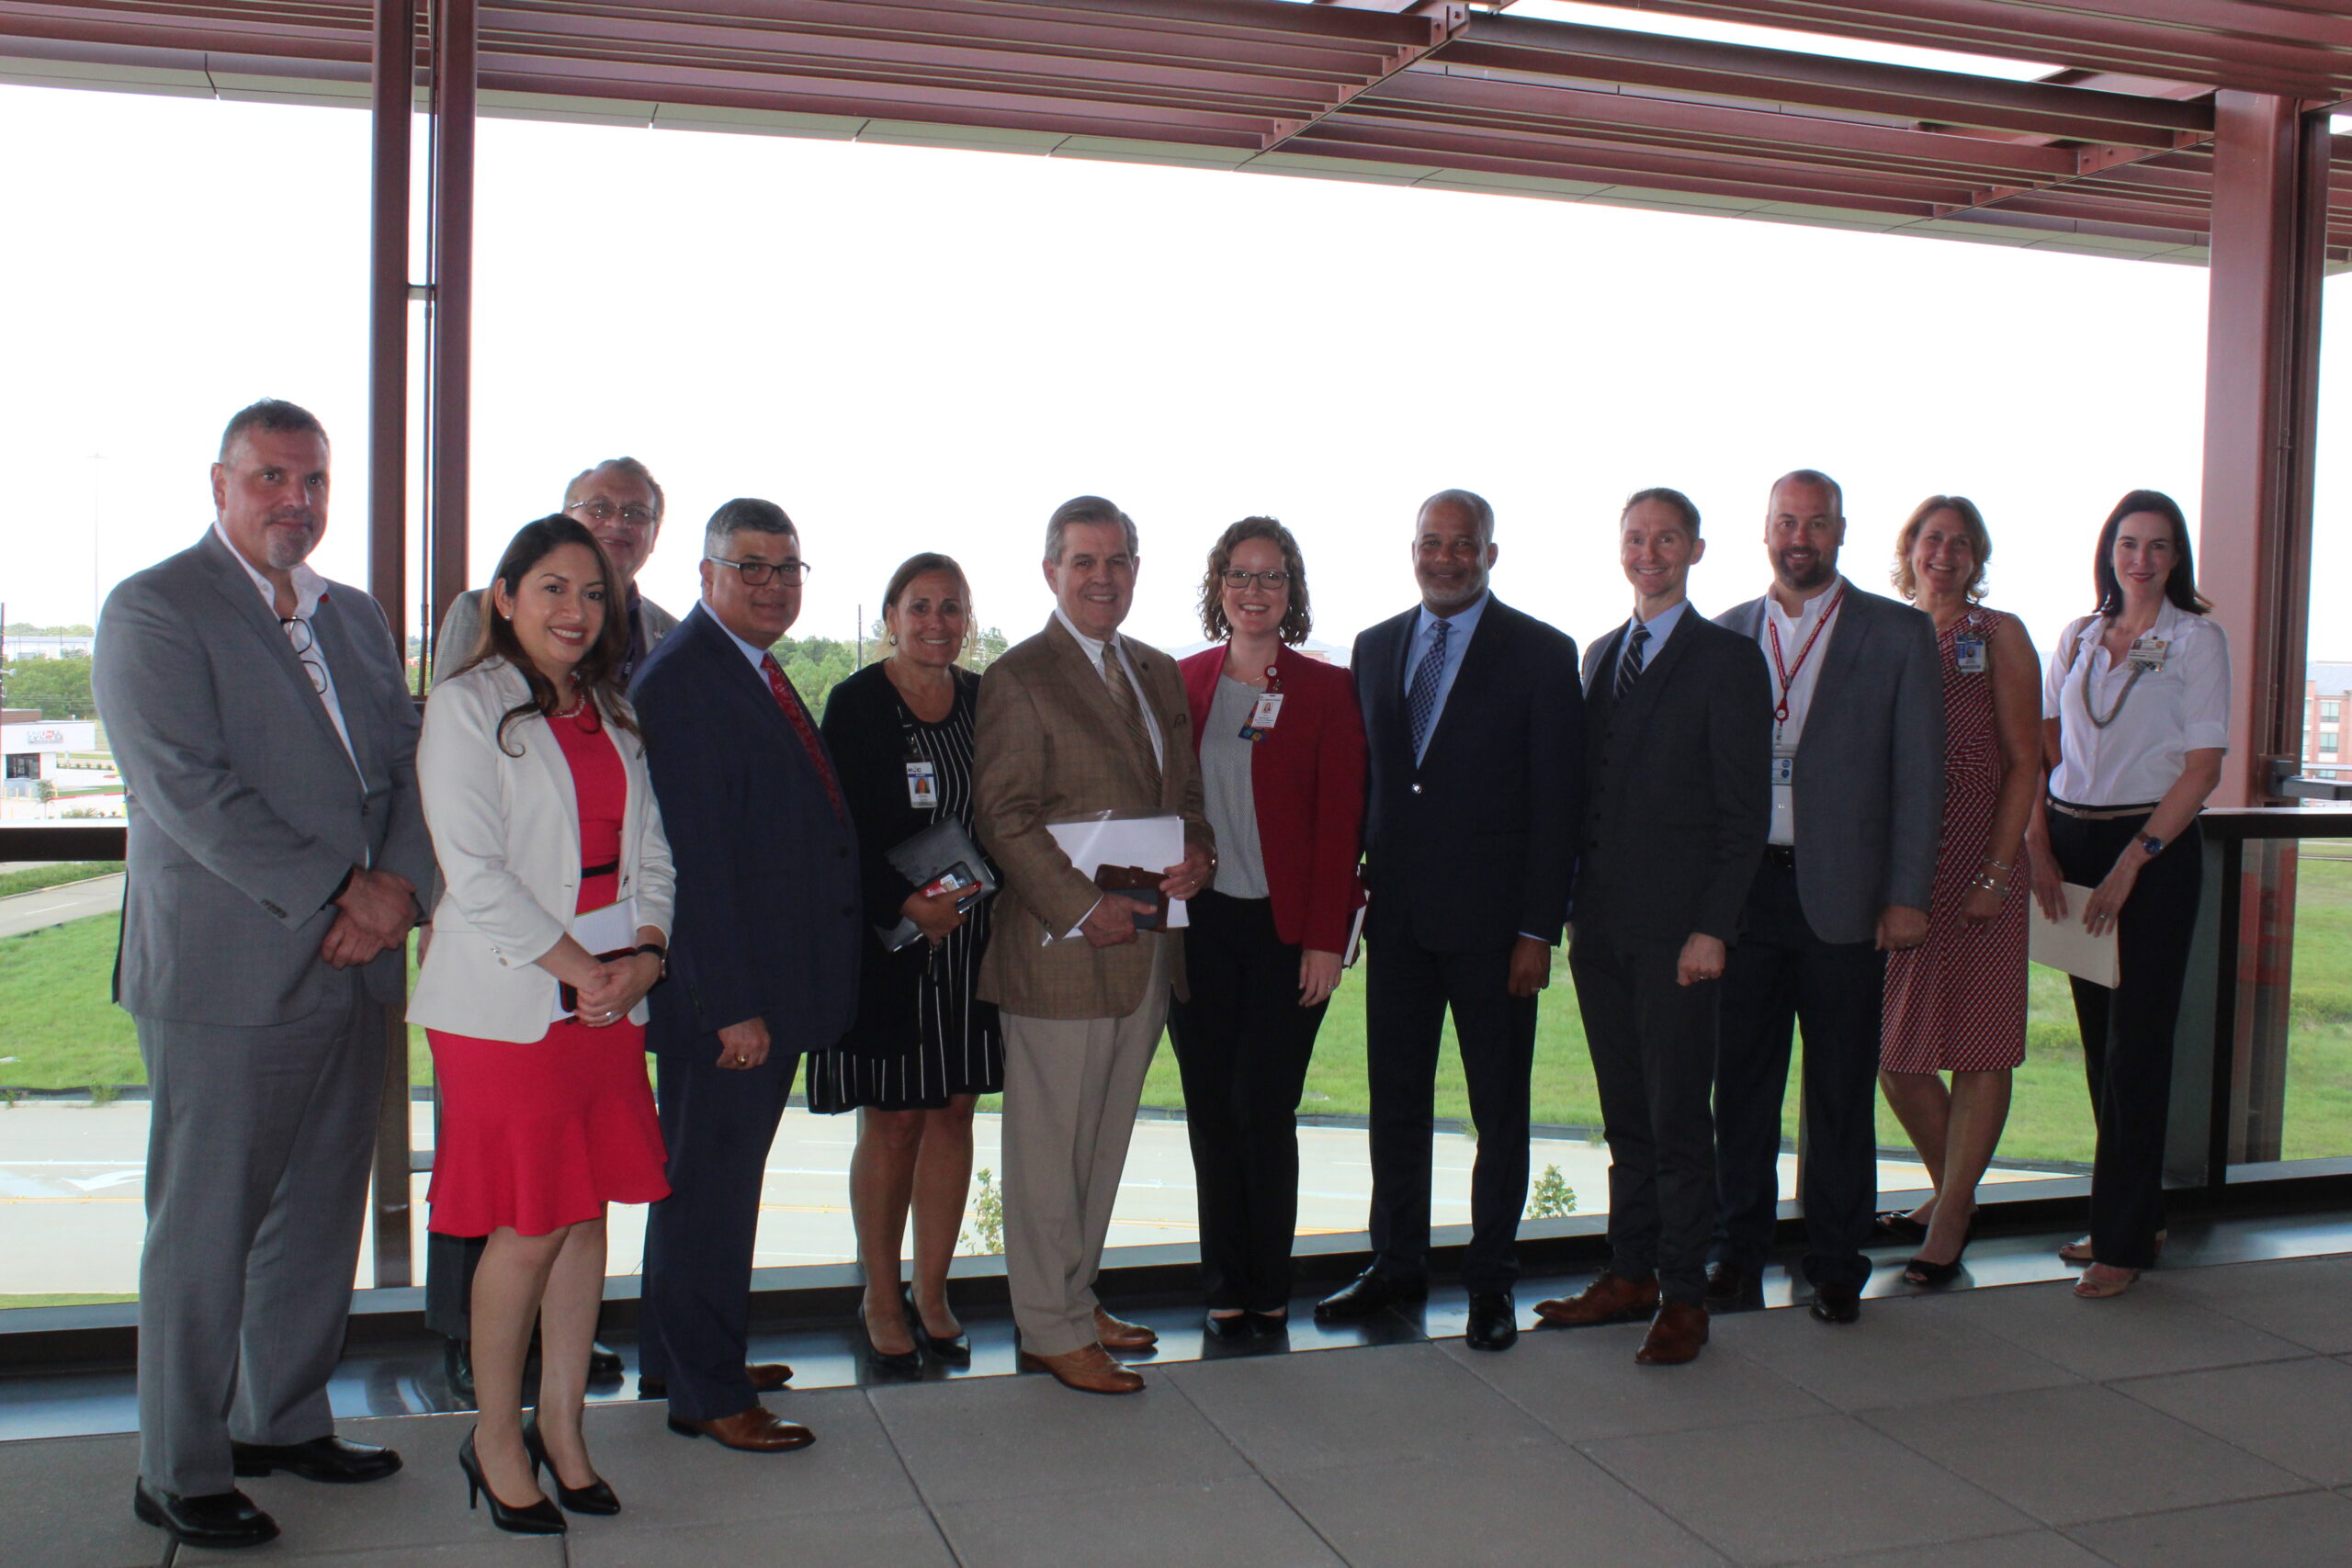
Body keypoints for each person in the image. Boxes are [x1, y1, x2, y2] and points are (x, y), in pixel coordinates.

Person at [94, 399, 434, 1551]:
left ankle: (278, 1419)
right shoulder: (154, 609)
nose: (298, 500)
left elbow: (407, 765)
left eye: (315, 481)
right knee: (205, 1227)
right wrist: (348, 888)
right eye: (273, 478)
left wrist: (396, 894)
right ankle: (178, 1466)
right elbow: (188, 792)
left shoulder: (353, 615)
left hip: (355, 961)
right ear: (221, 484)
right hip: (231, 975)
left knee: (317, 1213)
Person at [410, 516, 673, 1534]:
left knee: (585, 1213)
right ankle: (493, 1437)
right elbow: (473, 874)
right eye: (554, 589)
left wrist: (646, 953)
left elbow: (653, 853)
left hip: (607, 994)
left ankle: (563, 1427)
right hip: (510, 1003)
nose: (576, 611)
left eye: (594, 594)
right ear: (505, 598)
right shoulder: (469, 708)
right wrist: (583, 971)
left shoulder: (612, 709)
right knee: (527, 1226)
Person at [1315, 489, 1582, 1354]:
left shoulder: (1543, 653)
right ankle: (1395, 1265)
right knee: (1395, 1106)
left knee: (1498, 1112)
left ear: (1490, 554)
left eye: (1462, 544)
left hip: (1499, 932)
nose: (1445, 556)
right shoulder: (1376, 645)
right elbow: (1372, 787)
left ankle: (1490, 1282)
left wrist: (1539, 929)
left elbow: (1557, 807)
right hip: (1398, 925)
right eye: (1432, 541)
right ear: (1413, 549)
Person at [972, 495, 1215, 1395]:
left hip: (1147, 948)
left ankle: (1075, 1298)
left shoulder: (1154, 672)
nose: (1102, 577)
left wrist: (1199, 853)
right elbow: (1003, 815)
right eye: (1083, 561)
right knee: (1047, 1151)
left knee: (1102, 1144)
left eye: (1117, 561)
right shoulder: (1019, 675)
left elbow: (1182, 796)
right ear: (1050, 572)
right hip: (1060, 952)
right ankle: (1047, 1327)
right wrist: (1080, 907)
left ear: (1135, 572)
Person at [632, 498, 858, 1449]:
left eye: (788, 569)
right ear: (706, 573)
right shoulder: (686, 680)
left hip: (760, 988)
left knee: (704, 1186)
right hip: (726, 1002)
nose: (774, 585)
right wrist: (731, 1006)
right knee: (712, 1193)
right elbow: (697, 864)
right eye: (752, 567)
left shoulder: (750, 671)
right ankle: (710, 1393)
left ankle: (680, 1355)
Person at [1535, 489, 1770, 1365]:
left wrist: (1714, 928)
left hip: (1683, 940)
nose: (1650, 551)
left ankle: (1682, 1293)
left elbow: (1744, 815)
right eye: (1636, 537)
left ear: (1696, 549)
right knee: (1625, 1115)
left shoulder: (1727, 660)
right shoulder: (1601, 655)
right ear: (1620, 548)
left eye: (1666, 538)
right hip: (1601, 933)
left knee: (1678, 1121)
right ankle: (1627, 1272)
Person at [1709, 468, 1944, 1326]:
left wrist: (1906, 894)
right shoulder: (1728, 632)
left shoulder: (1897, 633)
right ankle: (1735, 1253)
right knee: (1740, 1090)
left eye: (1815, 523)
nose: (1799, 537)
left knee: (1841, 1089)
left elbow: (1922, 776)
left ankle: (1837, 1260)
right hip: (1743, 900)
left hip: (1847, 899)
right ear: (1765, 530)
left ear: (1841, 531)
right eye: (1785, 521)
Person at [2027, 489, 2228, 1300]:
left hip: (2153, 846)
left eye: (2158, 545)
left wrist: (2134, 860)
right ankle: (2133, 1214)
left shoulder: (2194, 640)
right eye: (2128, 542)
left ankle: (2122, 1241)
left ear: (2176, 558)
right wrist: (2040, 844)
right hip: (2071, 841)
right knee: (2100, 1035)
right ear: (2109, 550)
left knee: (2137, 1048)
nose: (2140, 558)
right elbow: (2043, 749)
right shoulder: (2076, 637)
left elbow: (2204, 767)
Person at [804, 553, 1003, 1371]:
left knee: (954, 1109)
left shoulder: (984, 703)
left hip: (965, 945)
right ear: (890, 615)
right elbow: (833, 829)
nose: (936, 623)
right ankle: (880, 1293)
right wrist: (903, 902)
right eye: (919, 607)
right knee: (893, 1120)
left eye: (951, 609)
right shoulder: (855, 703)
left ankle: (932, 1288)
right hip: (889, 946)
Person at [1169, 518, 1367, 1338]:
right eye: (1240, 576)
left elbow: (1340, 820)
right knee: (1211, 1106)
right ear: (1219, 587)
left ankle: (1269, 1283)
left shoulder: (1329, 689)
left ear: (1294, 590)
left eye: (1272, 577)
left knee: (1263, 1103)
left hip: (1290, 934)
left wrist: (1328, 936)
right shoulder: (1181, 683)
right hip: (1201, 928)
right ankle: (1227, 1282)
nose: (1255, 592)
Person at [1875, 497, 2041, 1287]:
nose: (1945, 553)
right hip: (1902, 866)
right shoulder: (1881, 628)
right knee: (1896, 1055)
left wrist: (1998, 871)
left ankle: (1947, 1218)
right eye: (1932, 538)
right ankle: (1959, 1193)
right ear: (1909, 548)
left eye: (1961, 543)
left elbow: (2024, 761)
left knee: (1978, 1043)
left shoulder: (1998, 633)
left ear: (1978, 558)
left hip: (1981, 859)